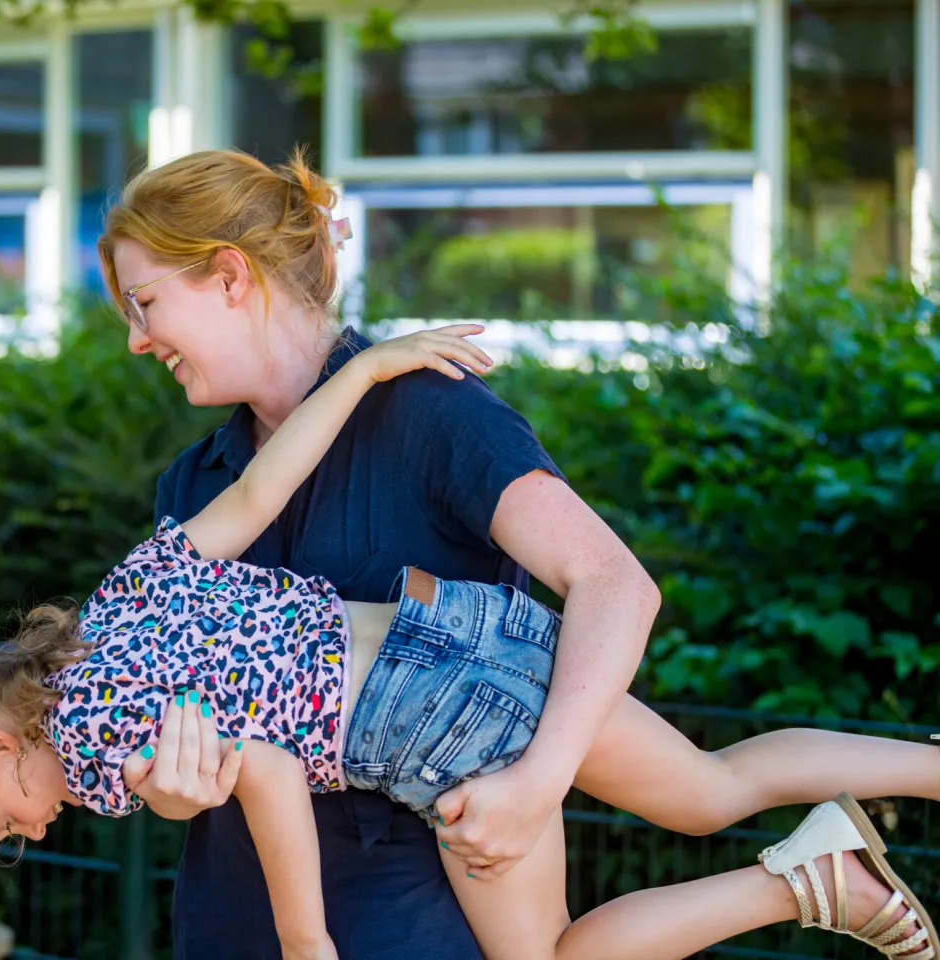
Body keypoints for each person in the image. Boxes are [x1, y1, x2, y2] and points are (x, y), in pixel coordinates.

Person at [0, 330, 935, 960]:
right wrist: (363, 368)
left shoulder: (99, 745)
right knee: (718, 783)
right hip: (467, 632)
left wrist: (305, 939)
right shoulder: (115, 601)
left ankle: (805, 886)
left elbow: (268, 770)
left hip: (435, 728)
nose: (31, 829)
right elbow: (265, 489)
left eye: (0, 822)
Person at [96, 147, 938, 958]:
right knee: (709, 789)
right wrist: (171, 790)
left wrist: (537, 785)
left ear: (230, 275)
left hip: (420, 912)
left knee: (706, 792)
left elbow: (614, 583)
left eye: (144, 303)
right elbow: (196, 719)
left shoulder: (431, 412)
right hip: (239, 920)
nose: (136, 339)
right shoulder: (194, 483)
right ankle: (815, 876)